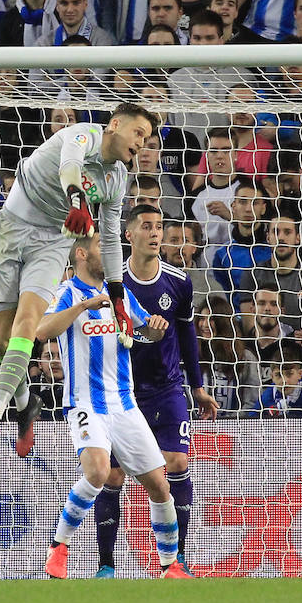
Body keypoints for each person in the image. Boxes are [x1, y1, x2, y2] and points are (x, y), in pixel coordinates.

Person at [0, 103, 156, 456]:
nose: (141, 144)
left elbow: (111, 237)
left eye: (146, 139)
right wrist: (76, 201)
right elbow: (69, 166)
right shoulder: (81, 134)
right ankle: (26, 405)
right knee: (1, 342)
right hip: (9, 231)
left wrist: (117, 294)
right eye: (138, 133)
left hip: (54, 242)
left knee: (26, 326)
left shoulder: (118, 177)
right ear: (115, 124)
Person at [37, 236, 187, 579]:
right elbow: (42, 330)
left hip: (124, 403)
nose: (110, 254)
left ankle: (169, 565)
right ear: (81, 253)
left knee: (160, 485)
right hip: (84, 402)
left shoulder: (118, 293)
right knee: (98, 472)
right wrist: (81, 308)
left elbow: (145, 330)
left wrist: (156, 328)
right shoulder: (67, 293)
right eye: (102, 247)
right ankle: (59, 548)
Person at [92, 204, 218, 576]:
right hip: (121, 391)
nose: (155, 233)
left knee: (177, 464)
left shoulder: (178, 281)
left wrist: (198, 387)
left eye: (159, 226)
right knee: (113, 476)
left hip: (167, 389)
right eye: (147, 226)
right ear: (128, 235)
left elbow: (187, 334)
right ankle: (106, 565)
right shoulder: (112, 286)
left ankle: (175, 560)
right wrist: (144, 335)